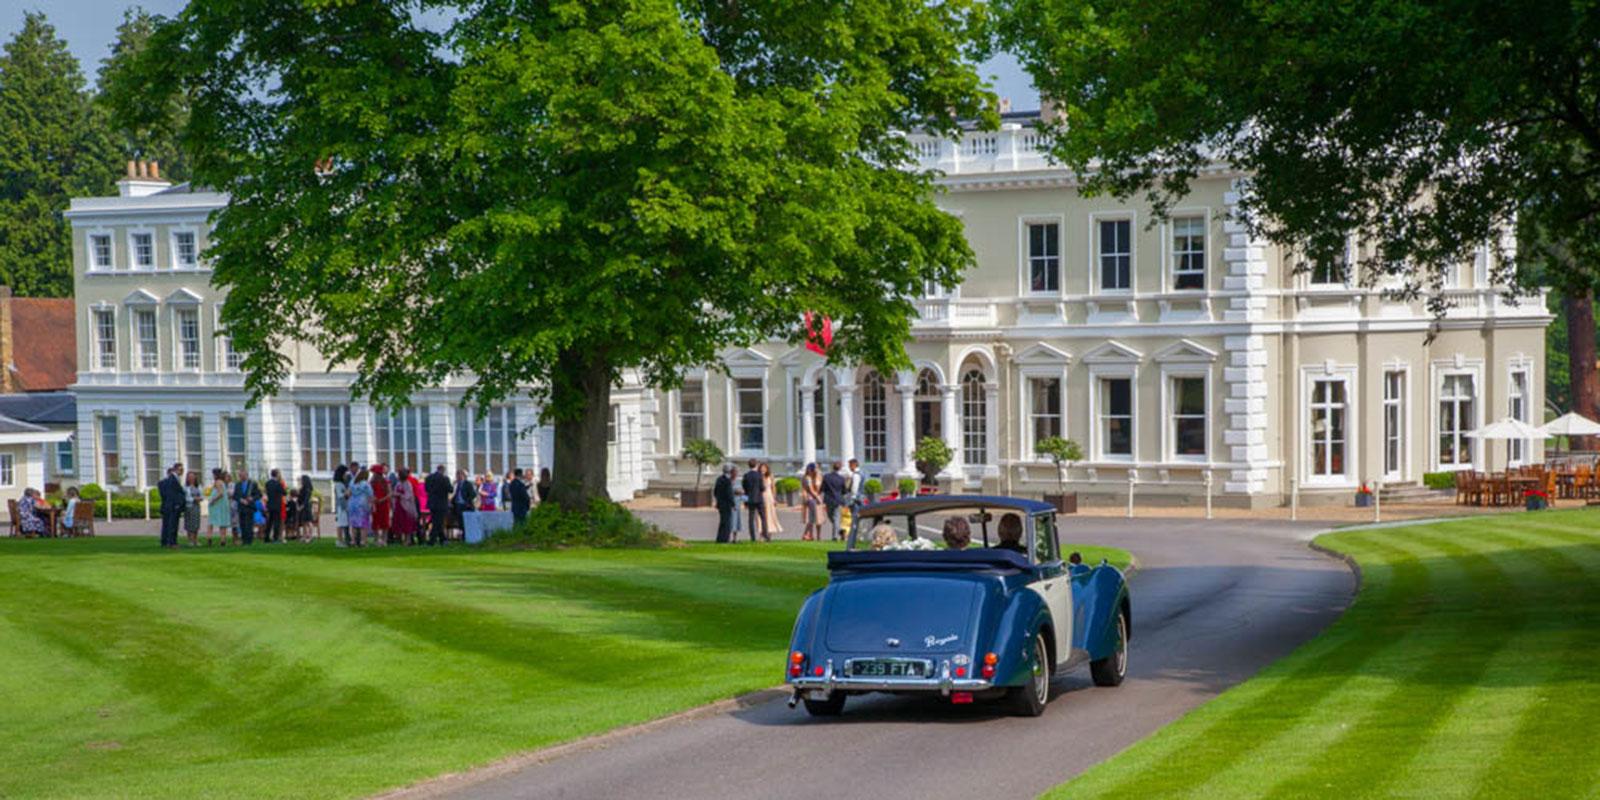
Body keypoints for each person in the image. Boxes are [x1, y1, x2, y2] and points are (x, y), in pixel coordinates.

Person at [157, 463, 185, 549]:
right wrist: (177, 504)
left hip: (167, 506)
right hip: (173, 506)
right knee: (172, 525)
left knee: (166, 524)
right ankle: (172, 542)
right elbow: (173, 494)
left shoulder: (165, 482)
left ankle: (165, 541)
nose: (182, 472)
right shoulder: (173, 480)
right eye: (181, 470)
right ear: (175, 469)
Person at [424, 465, 452, 545]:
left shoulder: (429, 478)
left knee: (437, 521)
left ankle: (443, 539)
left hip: (432, 503)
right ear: (443, 470)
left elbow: (426, 489)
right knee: (438, 522)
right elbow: (450, 489)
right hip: (441, 503)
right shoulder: (445, 479)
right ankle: (431, 540)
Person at [392, 467, 420, 545]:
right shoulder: (398, 483)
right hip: (398, 506)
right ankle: (400, 539)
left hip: (406, 506)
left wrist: (399, 495)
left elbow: (409, 495)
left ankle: (408, 540)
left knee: (407, 523)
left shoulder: (408, 484)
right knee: (399, 523)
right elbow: (395, 491)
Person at [232, 469, 260, 545]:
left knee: (249, 524)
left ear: (247, 475)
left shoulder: (253, 484)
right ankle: (244, 540)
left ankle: (249, 540)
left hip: (249, 506)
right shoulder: (238, 484)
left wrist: (252, 498)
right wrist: (240, 499)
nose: (241, 477)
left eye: (243, 475)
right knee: (242, 524)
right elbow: (235, 495)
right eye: (240, 475)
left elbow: (258, 494)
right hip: (241, 507)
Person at [741, 459, 766, 543]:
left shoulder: (746, 476)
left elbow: (744, 488)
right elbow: (762, 488)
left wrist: (745, 500)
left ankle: (752, 537)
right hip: (759, 498)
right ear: (756, 465)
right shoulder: (759, 475)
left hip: (750, 498)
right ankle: (764, 535)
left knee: (751, 518)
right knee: (763, 517)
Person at [821, 461, 848, 541]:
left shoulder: (826, 477)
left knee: (833, 517)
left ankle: (835, 536)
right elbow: (844, 491)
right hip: (837, 499)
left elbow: (823, 488)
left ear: (832, 467)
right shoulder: (841, 479)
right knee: (833, 517)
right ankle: (840, 530)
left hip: (829, 499)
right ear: (839, 468)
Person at [347, 468, 373, 547]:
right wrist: (372, 504)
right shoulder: (366, 484)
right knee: (363, 524)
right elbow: (370, 495)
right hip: (362, 504)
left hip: (352, 504)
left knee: (354, 524)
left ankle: (353, 541)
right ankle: (363, 541)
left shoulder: (352, 482)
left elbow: (348, 493)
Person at [713, 465, 737, 543]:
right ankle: (725, 539)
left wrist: (718, 500)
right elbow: (729, 494)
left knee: (722, 522)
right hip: (726, 504)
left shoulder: (719, 479)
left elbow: (715, 492)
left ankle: (720, 538)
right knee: (727, 522)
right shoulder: (728, 480)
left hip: (720, 503)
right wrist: (733, 504)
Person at [206, 469, 231, 546]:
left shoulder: (218, 482)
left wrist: (213, 500)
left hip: (218, 505)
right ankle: (223, 539)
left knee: (211, 521)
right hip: (223, 504)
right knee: (222, 522)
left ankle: (209, 537)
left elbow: (220, 493)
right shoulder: (222, 482)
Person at [262, 469, 287, 544]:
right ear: (277, 475)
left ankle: (266, 537)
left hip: (270, 504)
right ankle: (275, 538)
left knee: (269, 521)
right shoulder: (278, 484)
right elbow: (284, 492)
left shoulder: (268, 483)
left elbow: (266, 492)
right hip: (277, 504)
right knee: (277, 522)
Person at [760, 462, 782, 541]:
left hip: (769, 497)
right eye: (762, 468)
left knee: (770, 515)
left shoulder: (770, 476)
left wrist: (774, 498)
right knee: (761, 516)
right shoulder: (759, 476)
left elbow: (773, 487)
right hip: (761, 497)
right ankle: (762, 534)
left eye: (764, 468)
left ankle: (769, 533)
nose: (763, 470)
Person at [370, 464, 392, 544]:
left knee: (383, 522)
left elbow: (390, 493)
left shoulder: (386, 482)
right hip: (377, 504)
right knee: (377, 522)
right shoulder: (372, 482)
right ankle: (379, 539)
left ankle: (382, 539)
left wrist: (381, 499)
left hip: (382, 504)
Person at [801, 463, 822, 541]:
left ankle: (815, 535)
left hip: (816, 497)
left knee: (817, 518)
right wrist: (817, 497)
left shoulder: (817, 477)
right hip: (812, 498)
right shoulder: (807, 478)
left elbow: (819, 487)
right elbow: (810, 489)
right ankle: (809, 534)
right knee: (813, 518)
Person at [182, 471, 204, 546]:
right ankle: (190, 540)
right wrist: (194, 499)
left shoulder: (198, 487)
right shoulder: (185, 487)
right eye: (190, 477)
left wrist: (199, 498)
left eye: (193, 477)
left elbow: (202, 496)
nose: (191, 478)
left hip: (196, 507)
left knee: (196, 523)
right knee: (189, 524)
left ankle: (195, 539)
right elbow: (185, 498)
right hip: (189, 507)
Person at [452, 469, 476, 535]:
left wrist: (467, 502)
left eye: (459, 475)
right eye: (457, 475)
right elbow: (456, 494)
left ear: (463, 476)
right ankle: (462, 535)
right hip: (458, 505)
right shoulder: (457, 484)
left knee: (465, 522)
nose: (457, 477)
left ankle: (466, 535)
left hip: (465, 505)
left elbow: (473, 494)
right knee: (460, 521)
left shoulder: (468, 484)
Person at [333, 464, 351, 547]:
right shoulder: (338, 484)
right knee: (340, 524)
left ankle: (342, 539)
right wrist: (347, 493)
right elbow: (340, 495)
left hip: (344, 506)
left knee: (343, 523)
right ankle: (339, 540)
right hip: (341, 506)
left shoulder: (342, 484)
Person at [296, 474, 316, 540]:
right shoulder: (302, 488)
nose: (300, 481)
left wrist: (302, 506)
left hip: (306, 506)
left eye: (301, 479)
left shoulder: (308, 489)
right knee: (303, 521)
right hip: (302, 505)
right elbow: (299, 497)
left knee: (309, 521)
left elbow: (306, 499)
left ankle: (310, 536)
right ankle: (304, 535)